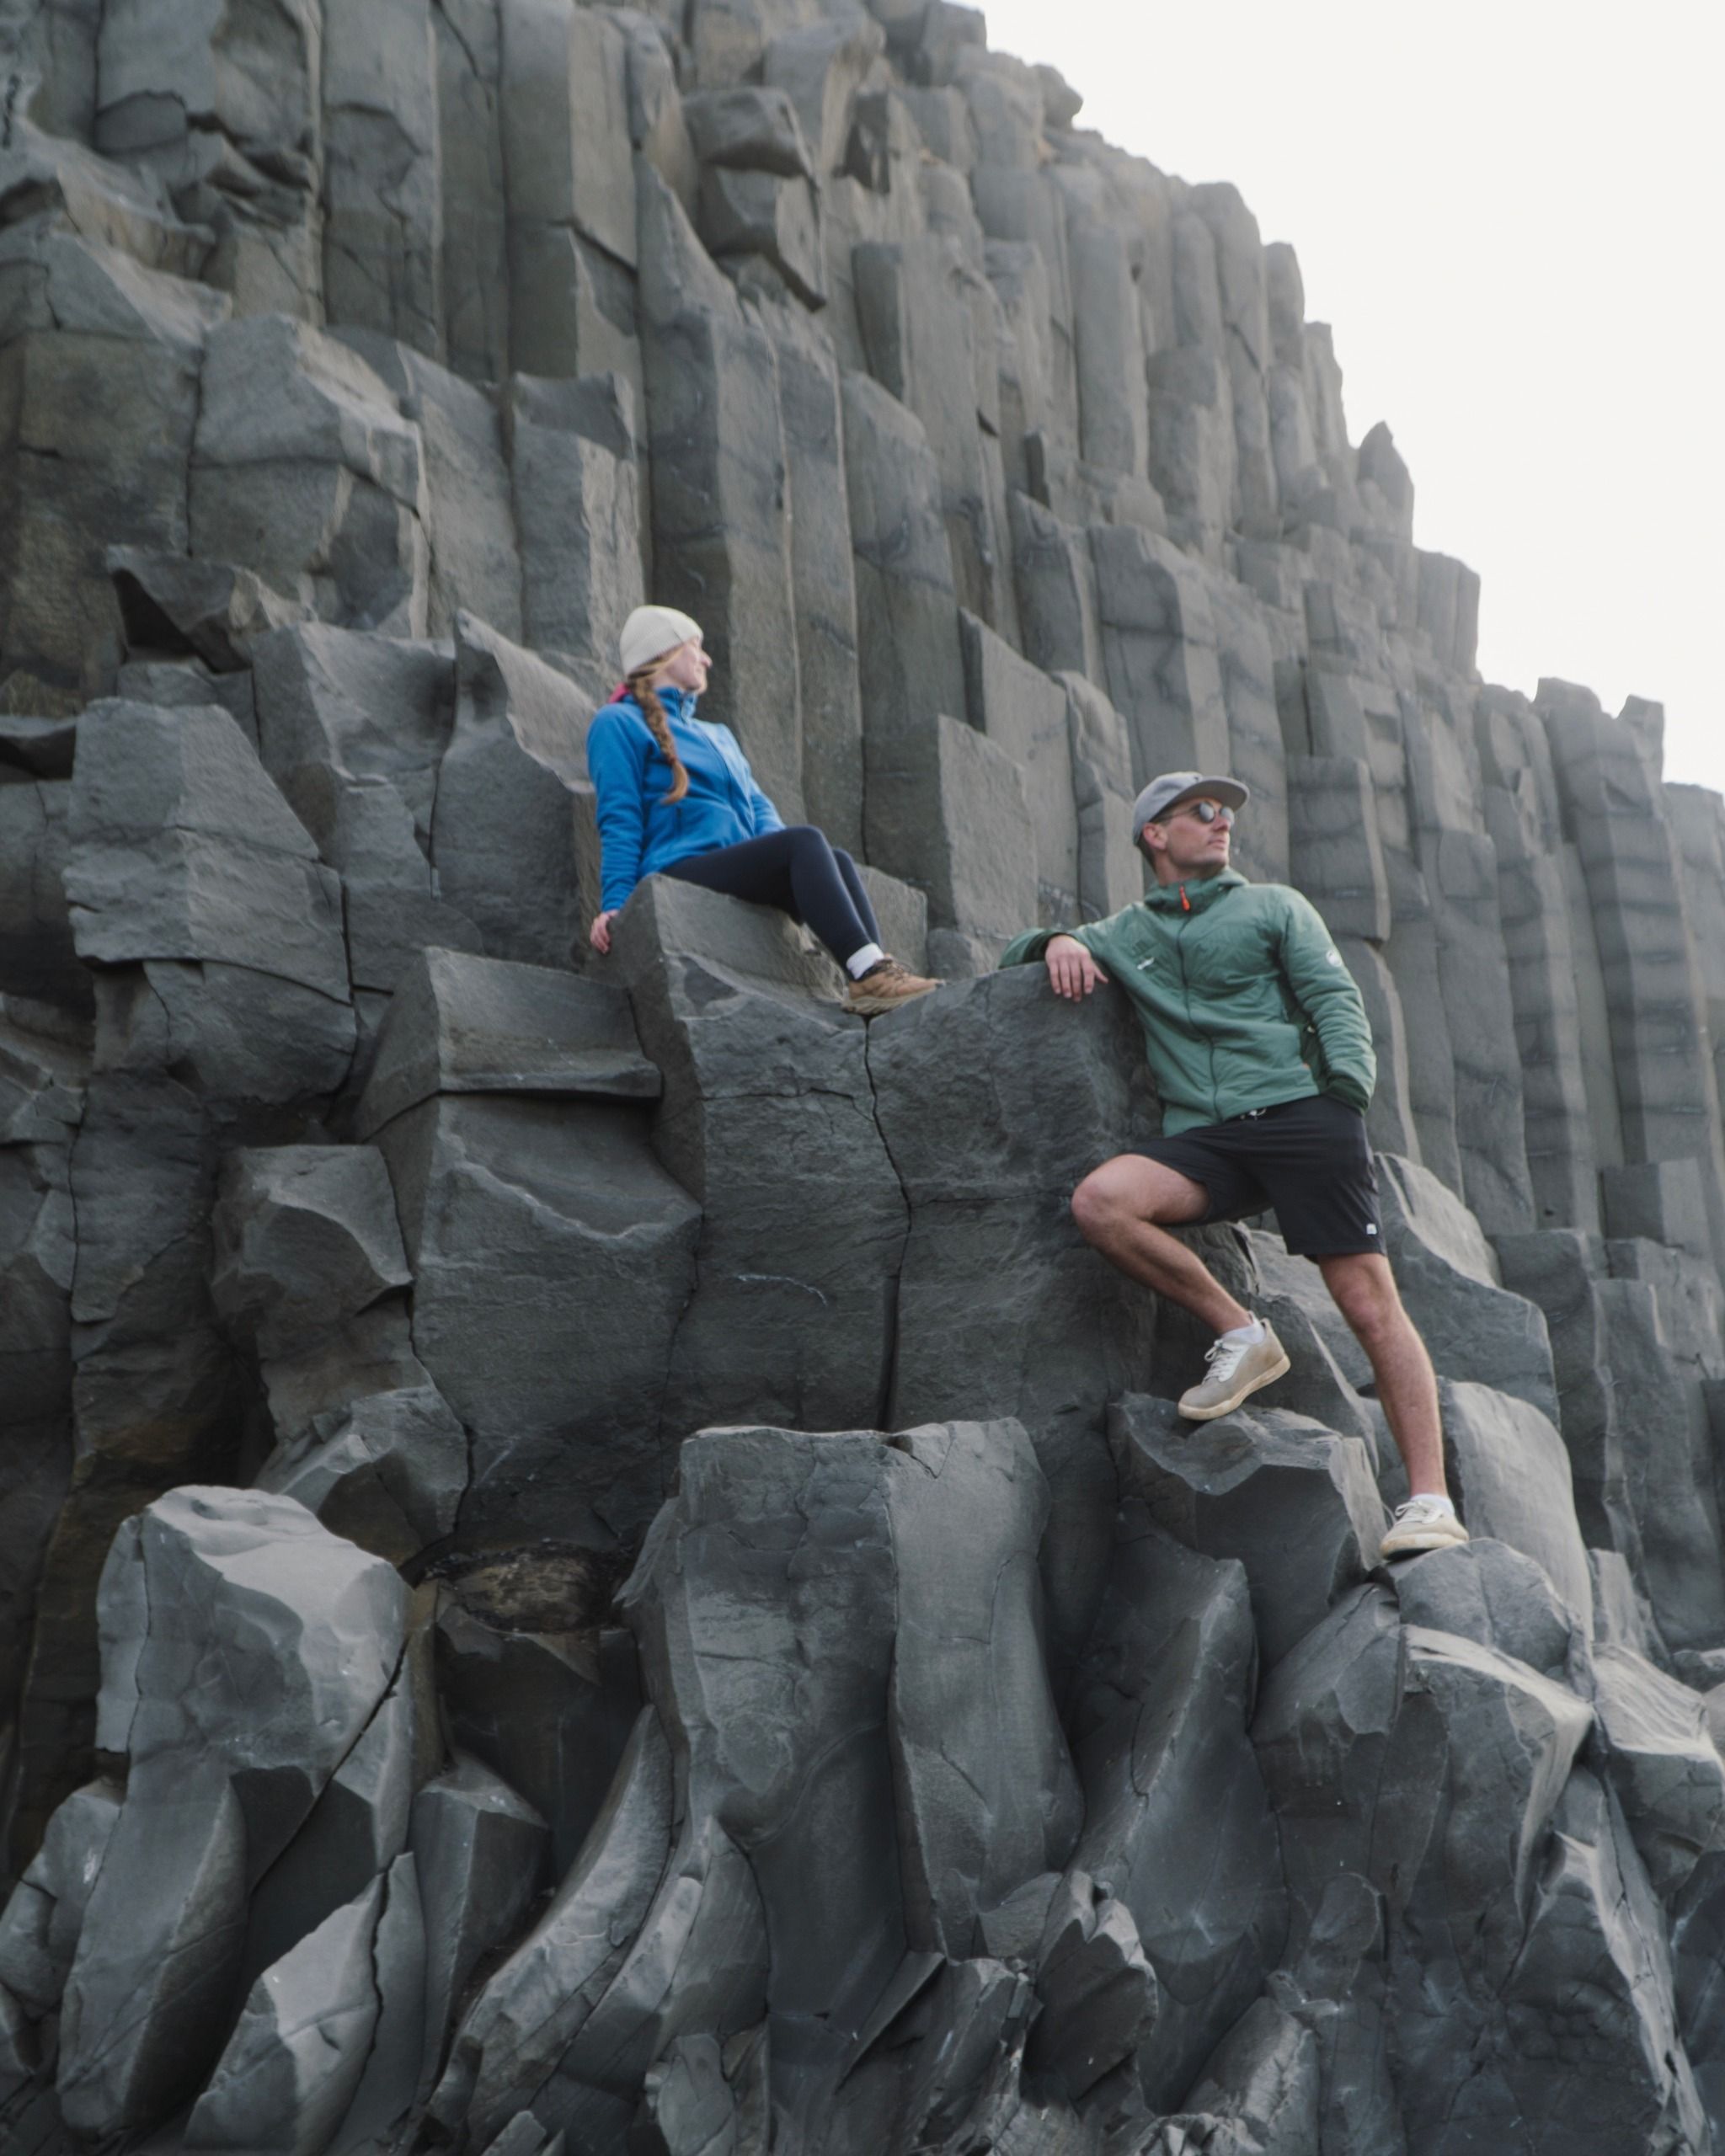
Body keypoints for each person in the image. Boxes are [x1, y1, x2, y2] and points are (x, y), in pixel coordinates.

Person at [1000, 769, 1467, 1561]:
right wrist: (1060, 941)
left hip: (1300, 1116)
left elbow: (1334, 999)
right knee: (1101, 1203)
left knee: (1367, 1301)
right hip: (1209, 1139)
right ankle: (1241, 1332)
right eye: (1201, 812)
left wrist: (1342, 1097)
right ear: (1155, 834)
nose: (1222, 823)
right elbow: (1024, 953)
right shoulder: (1130, 931)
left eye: (1227, 814)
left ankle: (1429, 1502)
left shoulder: (1274, 905)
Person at [586, 606, 940, 1013]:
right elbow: (619, 819)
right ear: (664, 652)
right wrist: (616, 905)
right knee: (804, 841)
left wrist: (792, 861)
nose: (706, 658)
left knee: (835, 859)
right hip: (678, 867)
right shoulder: (617, 723)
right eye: (695, 647)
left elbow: (760, 810)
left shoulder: (717, 735)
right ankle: (870, 973)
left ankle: (873, 974)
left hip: (733, 869)